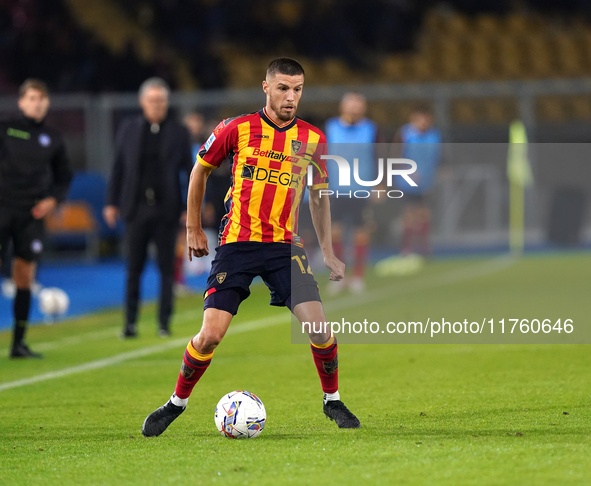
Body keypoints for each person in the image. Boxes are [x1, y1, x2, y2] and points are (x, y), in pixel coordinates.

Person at [142, 58, 360, 437]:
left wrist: (327, 251)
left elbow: (318, 197)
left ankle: (333, 400)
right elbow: (199, 171)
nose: (291, 97)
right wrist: (193, 227)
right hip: (236, 245)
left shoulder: (313, 139)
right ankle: (175, 403)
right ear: (266, 87)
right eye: (283, 89)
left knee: (320, 329)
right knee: (210, 334)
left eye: (297, 90)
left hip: (284, 247)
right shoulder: (236, 128)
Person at [103, 77, 193, 338]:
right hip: (135, 208)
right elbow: (118, 167)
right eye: (152, 100)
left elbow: (191, 172)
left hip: (167, 209)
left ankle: (164, 323)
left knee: (167, 269)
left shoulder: (178, 131)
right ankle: (130, 324)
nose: (157, 105)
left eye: (161, 100)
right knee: (133, 269)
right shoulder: (128, 129)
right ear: (142, 102)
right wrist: (111, 202)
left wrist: (191, 205)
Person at [0, 79, 73, 358]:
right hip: (2, 208)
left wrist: (52, 200)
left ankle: (18, 343)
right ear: (21, 101)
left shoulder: (52, 138)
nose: (37, 103)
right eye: (31, 98)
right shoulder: (6, 129)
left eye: (41, 98)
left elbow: (64, 176)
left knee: (24, 276)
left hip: (31, 214)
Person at [324, 92, 380, 294]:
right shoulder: (330, 127)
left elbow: (378, 156)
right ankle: (340, 276)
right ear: (342, 107)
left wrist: (380, 184)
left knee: (361, 234)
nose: (355, 109)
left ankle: (358, 276)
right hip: (335, 188)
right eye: (351, 105)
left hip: (361, 188)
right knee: (334, 233)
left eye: (358, 106)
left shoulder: (371, 129)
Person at [394, 106, 442, 256]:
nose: (422, 122)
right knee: (409, 216)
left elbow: (440, 156)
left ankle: (424, 250)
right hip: (406, 183)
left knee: (424, 216)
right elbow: (395, 157)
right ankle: (406, 250)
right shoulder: (405, 134)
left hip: (426, 183)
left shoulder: (434, 136)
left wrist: (441, 169)